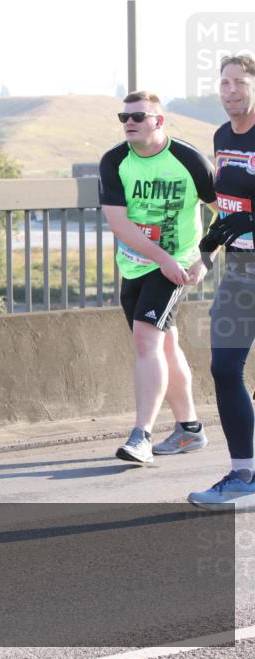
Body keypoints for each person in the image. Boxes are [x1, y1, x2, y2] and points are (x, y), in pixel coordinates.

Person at [98, 91, 217, 464]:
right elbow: (119, 223)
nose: (129, 123)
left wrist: (205, 259)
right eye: (124, 117)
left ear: (159, 121)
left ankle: (141, 437)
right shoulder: (114, 161)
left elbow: (224, 213)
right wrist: (159, 258)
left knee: (145, 340)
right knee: (166, 345)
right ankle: (190, 429)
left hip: (176, 266)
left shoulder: (188, 160)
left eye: (138, 116)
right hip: (136, 264)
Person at [188, 54, 255, 510]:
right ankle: (244, 475)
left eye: (240, 82)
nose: (230, 91)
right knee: (225, 368)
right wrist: (207, 249)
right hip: (242, 269)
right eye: (224, 83)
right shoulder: (221, 136)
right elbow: (227, 207)